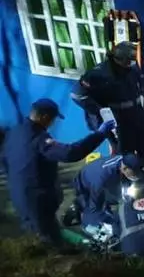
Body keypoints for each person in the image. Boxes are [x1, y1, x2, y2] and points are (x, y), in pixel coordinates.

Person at [1, 99, 114, 243]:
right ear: (44, 117)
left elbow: (4, 160)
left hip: (19, 194)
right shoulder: (40, 140)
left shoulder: (14, 132)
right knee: (45, 238)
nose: (52, 123)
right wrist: (99, 134)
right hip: (36, 200)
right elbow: (71, 153)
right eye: (52, 119)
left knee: (36, 230)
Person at [73, 41, 144, 158]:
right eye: (129, 59)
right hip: (116, 120)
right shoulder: (98, 74)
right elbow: (77, 95)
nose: (132, 62)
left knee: (142, 147)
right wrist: (99, 110)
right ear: (119, 59)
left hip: (135, 115)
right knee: (122, 154)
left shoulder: (129, 68)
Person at [70, 151, 142, 233]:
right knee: (94, 212)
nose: (135, 176)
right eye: (132, 175)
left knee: (122, 197)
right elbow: (95, 205)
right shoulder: (100, 179)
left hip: (104, 179)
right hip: (84, 184)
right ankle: (81, 212)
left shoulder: (124, 161)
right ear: (124, 168)